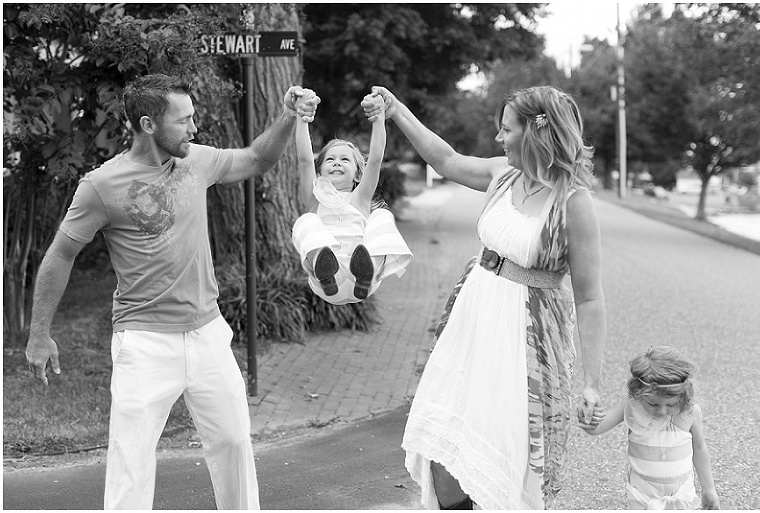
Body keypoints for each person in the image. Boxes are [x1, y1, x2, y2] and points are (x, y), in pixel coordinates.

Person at [24, 74, 320, 510]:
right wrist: (38, 333)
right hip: (144, 343)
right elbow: (60, 254)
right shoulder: (101, 185)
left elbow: (257, 158)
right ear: (148, 124)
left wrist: (288, 117)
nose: (194, 129)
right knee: (131, 461)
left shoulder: (195, 161)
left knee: (235, 444)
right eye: (184, 121)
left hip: (208, 334)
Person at [363, 85, 607, 510]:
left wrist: (592, 382)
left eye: (506, 130)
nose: (499, 139)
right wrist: (397, 109)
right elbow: (446, 159)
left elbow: (589, 299)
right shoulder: (502, 174)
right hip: (472, 320)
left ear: (535, 132)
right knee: (444, 443)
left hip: (524, 341)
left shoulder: (574, 203)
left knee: (501, 453)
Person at [291, 93, 412, 304]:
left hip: (362, 283)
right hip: (328, 284)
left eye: (344, 159)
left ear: (357, 174)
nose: (336, 163)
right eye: (330, 159)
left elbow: (375, 160)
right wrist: (302, 119)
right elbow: (304, 161)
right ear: (319, 172)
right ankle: (324, 265)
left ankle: (368, 269)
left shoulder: (360, 198)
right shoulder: (314, 199)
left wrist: (379, 119)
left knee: (382, 215)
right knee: (305, 221)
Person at [578, 346, 720, 510]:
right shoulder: (631, 407)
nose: (661, 410)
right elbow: (598, 428)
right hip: (642, 495)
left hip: (682, 495)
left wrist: (708, 488)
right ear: (638, 393)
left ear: (684, 395)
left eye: (671, 404)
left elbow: (700, 447)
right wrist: (588, 420)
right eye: (653, 404)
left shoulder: (690, 412)